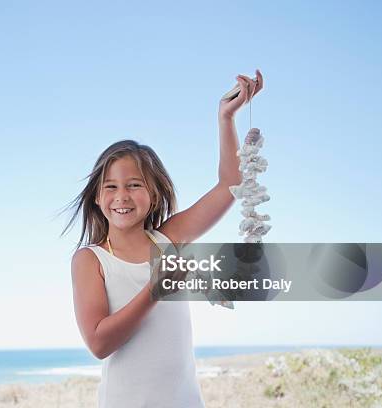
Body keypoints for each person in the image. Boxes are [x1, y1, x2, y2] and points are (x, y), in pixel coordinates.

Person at [62, 70, 264, 407]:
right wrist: (156, 289)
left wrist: (226, 117)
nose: (121, 196)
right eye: (110, 186)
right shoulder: (91, 259)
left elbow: (231, 186)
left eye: (134, 185)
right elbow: (99, 343)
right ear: (97, 198)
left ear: (154, 195)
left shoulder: (167, 238)